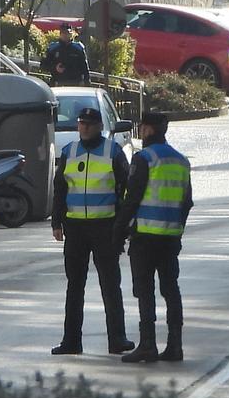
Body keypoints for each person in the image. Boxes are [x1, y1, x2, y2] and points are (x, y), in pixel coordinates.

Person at [49, 107, 132, 356]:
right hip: (75, 229)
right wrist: (57, 222)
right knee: (74, 286)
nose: (83, 127)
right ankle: (71, 341)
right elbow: (60, 189)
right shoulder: (69, 152)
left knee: (110, 285)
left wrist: (123, 225)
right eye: (81, 123)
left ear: (99, 127)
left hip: (105, 227)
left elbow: (126, 189)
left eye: (88, 124)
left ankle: (117, 339)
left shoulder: (112, 151)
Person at [117, 112, 192, 364]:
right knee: (171, 290)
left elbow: (132, 199)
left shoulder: (145, 158)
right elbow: (186, 202)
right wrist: (177, 229)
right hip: (170, 237)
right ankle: (175, 345)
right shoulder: (181, 161)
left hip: (146, 236)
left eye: (142, 127)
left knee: (145, 290)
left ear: (148, 130)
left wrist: (117, 232)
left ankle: (147, 345)